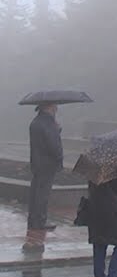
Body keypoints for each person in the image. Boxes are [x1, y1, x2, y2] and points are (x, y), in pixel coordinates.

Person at [25, 102, 63, 250]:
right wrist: (57, 130)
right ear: (48, 107)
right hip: (47, 164)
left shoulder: (36, 121)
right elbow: (53, 145)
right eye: (54, 106)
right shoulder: (47, 123)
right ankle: (39, 222)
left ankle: (34, 220)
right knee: (42, 194)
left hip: (37, 163)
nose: (56, 109)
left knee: (36, 192)